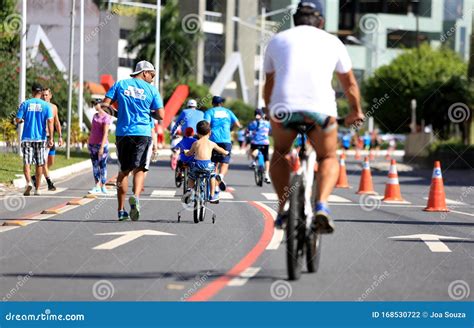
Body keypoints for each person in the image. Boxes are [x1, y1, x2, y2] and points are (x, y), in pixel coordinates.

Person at [263, 0, 364, 233]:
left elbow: (269, 84)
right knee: (328, 156)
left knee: (279, 153)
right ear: (321, 21)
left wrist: (270, 111)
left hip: (283, 110)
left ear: (295, 20)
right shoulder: (333, 42)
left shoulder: (277, 40)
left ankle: (283, 207)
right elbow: (349, 84)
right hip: (321, 111)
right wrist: (355, 111)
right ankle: (321, 206)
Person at [101, 60, 164, 221]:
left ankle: (121, 211)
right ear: (144, 73)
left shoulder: (120, 84)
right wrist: (150, 114)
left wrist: (119, 113)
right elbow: (161, 115)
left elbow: (104, 106)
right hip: (143, 133)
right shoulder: (152, 90)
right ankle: (135, 197)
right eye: (152, 74)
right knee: (140, 169)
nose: (153, 78)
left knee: (123, 171)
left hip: (123, 133)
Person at [15, 83, 54, 196]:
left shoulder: (25, 104)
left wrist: (22, 121)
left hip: (27, 137)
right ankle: (37, 189)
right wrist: (51, 138)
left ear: (32, 92)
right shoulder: (46, 105)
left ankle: (28, 183)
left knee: (27, 162)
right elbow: (50, 122)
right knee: (39, 164)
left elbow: (18, 119)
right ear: (41, 92)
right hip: (40, 139)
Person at [182, 120, 229, 204]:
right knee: (212, 176)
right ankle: (212, 195)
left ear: (197, 132)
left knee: (192, 176)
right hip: (207, 165)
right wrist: (225, 152)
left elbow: (189, 153)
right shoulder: (212, 143)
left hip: (197, 165)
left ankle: (189, 190)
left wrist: (185, 152)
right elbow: (221, 150)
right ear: (210, 132)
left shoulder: (196, 143)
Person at [204, 96, 241, 192]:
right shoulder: (228, 112)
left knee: (213, 163)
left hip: (213, 140)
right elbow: (238, 124)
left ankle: (215, 186)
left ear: (213, 103)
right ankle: (221, 176)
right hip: (226, 140)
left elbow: (206, 125)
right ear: (222, 104)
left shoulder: (209, 112)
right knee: (225, 162)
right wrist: (231, 129)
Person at [31, 88, 63, 191]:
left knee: (50, 162)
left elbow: (56, 122)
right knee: (43, 161)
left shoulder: (54, 107)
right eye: (43, 95)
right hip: (43, 137)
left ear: (50, 96)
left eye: (46, 95)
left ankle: (36, 176)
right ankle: (49, 182)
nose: (44, 97)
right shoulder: (39, 107)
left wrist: (60, 136)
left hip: (51, 137)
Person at [87, 99, 112, 194]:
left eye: (96, 104)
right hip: (92, 144)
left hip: (102, 145)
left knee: (102, 165)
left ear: (100, 104)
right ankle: (97, 185)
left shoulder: (106, 117)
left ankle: (103, 185)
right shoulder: (94, 116)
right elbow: (93, 130)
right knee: (95, 165)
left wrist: (101, 147)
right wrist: (89, 141)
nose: (95, 106)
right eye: (93, 104)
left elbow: (105, 133)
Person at [247, 109, 272, 183]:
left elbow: (247, 132)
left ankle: (254, 161)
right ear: (262, 115)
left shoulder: (252, 123)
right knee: (266, 159)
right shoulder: (267, 123)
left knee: (251, 151)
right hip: (265, 143)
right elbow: (271, 132)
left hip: (255, 143)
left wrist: (248, 135)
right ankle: (267, 175)